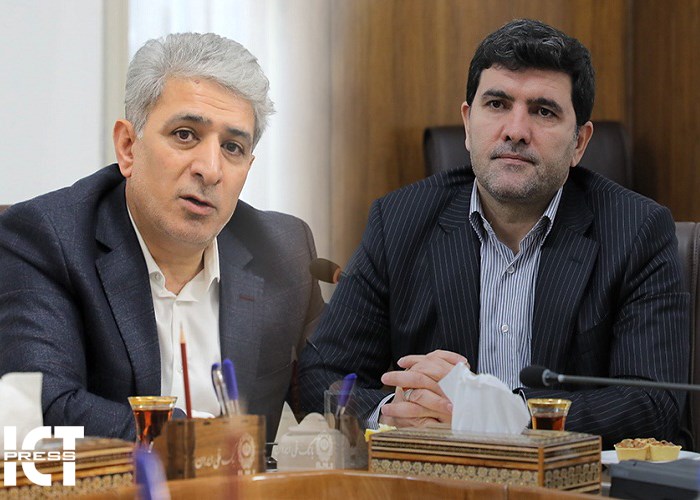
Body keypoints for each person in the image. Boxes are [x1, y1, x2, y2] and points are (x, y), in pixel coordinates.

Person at [298, 19, 689, 448]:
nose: (516, 130)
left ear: (579, 142)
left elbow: (655, 404)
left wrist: (496, 416)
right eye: (498, 104)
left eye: (543, 111)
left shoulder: (636, 231)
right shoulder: (399, 222)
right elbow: (321, 376)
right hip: (434, 477)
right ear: (468, 124)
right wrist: (395, 414)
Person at [0, 33, 324, 443]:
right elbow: (44, 409)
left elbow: (336, 386)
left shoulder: (283, 251)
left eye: (232, 147)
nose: (210, 169)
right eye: (185, 134)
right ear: (128, 146)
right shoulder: (47, 239)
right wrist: (198, 442)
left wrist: (396, 405)